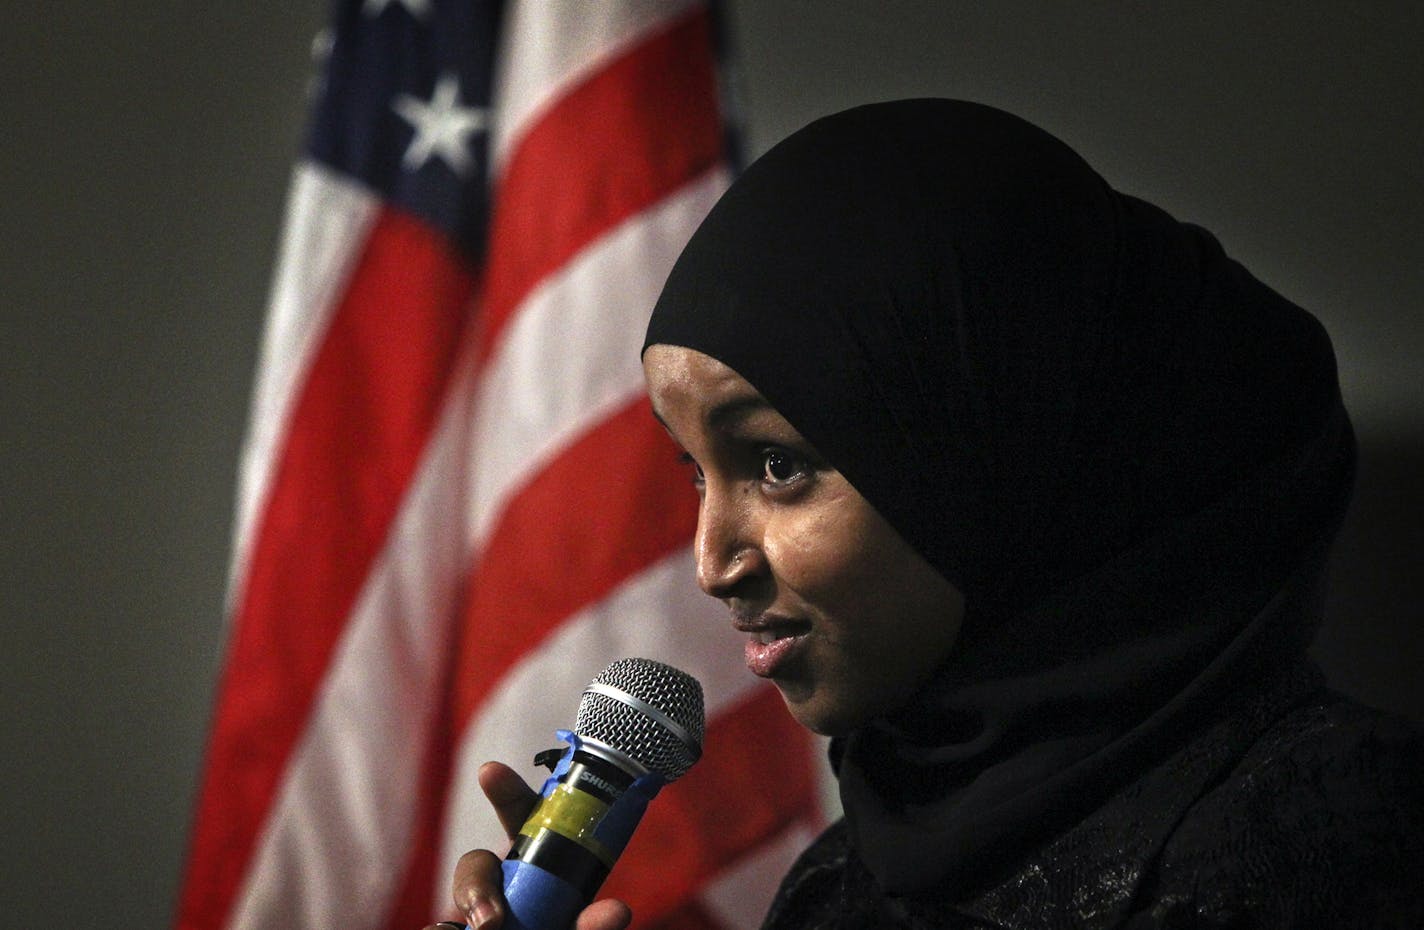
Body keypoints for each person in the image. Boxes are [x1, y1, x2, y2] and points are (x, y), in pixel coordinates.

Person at [427, 99, 1424, 929]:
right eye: (695, 471)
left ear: (1010, 444)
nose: (709, 563)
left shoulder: (1348, 841)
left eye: (775, 464)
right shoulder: (838, 886)